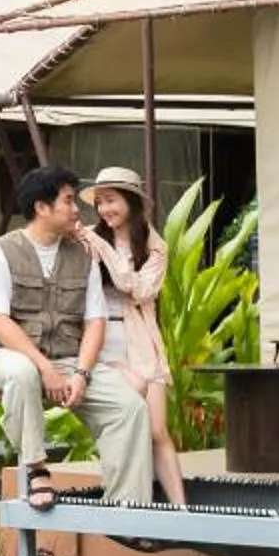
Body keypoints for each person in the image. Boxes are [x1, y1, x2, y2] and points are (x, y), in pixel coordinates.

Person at [0, 164, 154, 511]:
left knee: (128, 407)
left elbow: (95, 321)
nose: (77, 210)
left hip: (70, 359)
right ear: (42, 208)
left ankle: (128, 508)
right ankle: (36, 469)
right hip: (9, 357)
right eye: (69, 201)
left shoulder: (83, 255)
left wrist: (82, 373)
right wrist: (45, 368)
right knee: (24, 372)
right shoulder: (0, 252)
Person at [77, 165, 188, 508]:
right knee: (124, 425)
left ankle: (182, 509)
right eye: (99, 202)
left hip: (141, 341)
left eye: (110, 200)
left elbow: (137, 288)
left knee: (157, 432)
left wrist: (103, 247)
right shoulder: (87, 241)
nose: (104, 209)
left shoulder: (155, 247)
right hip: (101, 340)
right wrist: (93, 242)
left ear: (130, 201)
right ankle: (130, 503)